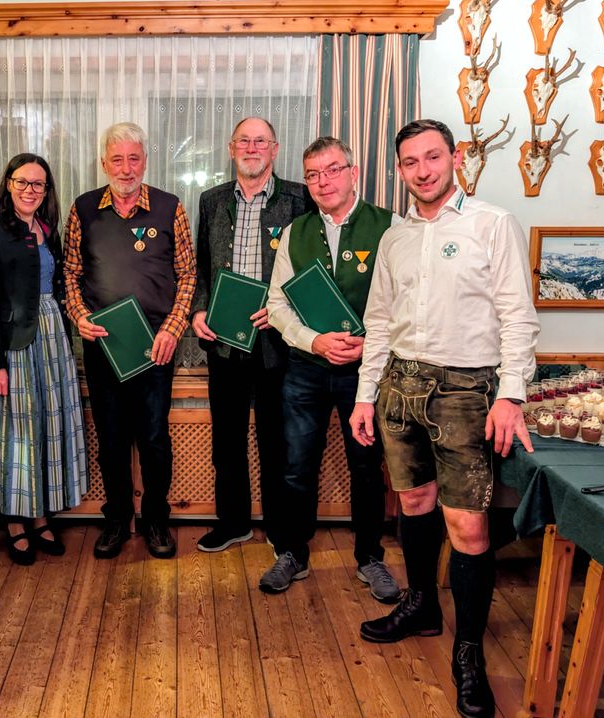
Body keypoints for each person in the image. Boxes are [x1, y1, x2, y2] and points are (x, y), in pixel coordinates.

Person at [348, 119, 540, 717]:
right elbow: (378, 321)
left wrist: (511, 395)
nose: (423, 170)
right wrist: (364, 394)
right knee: (412, 505)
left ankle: (468, 653)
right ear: (399, 170)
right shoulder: (395, 237)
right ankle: (423, 605)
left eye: (433, 157)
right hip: (399, 386)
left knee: (469, 528)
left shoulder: (493, 223)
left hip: (466, 391)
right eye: (410, 162)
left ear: (455, 158)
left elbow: (518, 316)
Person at [260, 136, 399, 600]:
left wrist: (370, 346)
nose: (324, 181)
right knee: (297, 466)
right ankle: (292, 553)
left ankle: (370, 558)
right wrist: (314, 340)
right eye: (314, 174)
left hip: (367, 371)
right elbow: (277, 305)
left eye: (333, 170)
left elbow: (408, 303)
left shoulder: (390, 227)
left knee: (365, 466)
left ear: (353, 172)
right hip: (305, 368)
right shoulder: (294, 233)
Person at [63, 122, 196, 559]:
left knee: (155, 438)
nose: (126, 167)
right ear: (104, 163)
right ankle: (117, 518)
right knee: (112, 437)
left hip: (155, 348)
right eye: (117, 159)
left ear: (145, 160)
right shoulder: (83, 209)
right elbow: (70, 274)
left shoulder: (169, 207)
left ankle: (157, 520)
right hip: (104, 346)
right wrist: (79, 316)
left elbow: (187, 274)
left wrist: (173, 329)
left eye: (133, 157)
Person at [191, 117, 311, 553]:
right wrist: (199, 309)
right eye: (244, 140)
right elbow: (202, 265)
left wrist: (285, 311)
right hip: (224, 339)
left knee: (276, 442)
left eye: (260, 141)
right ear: (231, 147)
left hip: (277, 341)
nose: (252, 147)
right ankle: (234, 523)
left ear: (275, 150)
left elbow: (311, 268)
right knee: (227, 441)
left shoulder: (299, 198)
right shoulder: (211, 200)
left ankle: (281, 531)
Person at [0, 153, 89, 565]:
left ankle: (40, 514)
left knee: (47, 425)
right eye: (22, 182)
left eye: (38, 184)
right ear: (8, 184)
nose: (30, 190)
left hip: (53, 337)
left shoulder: (49, 230)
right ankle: (15, 521)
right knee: (16, 432)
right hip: (14, 344)